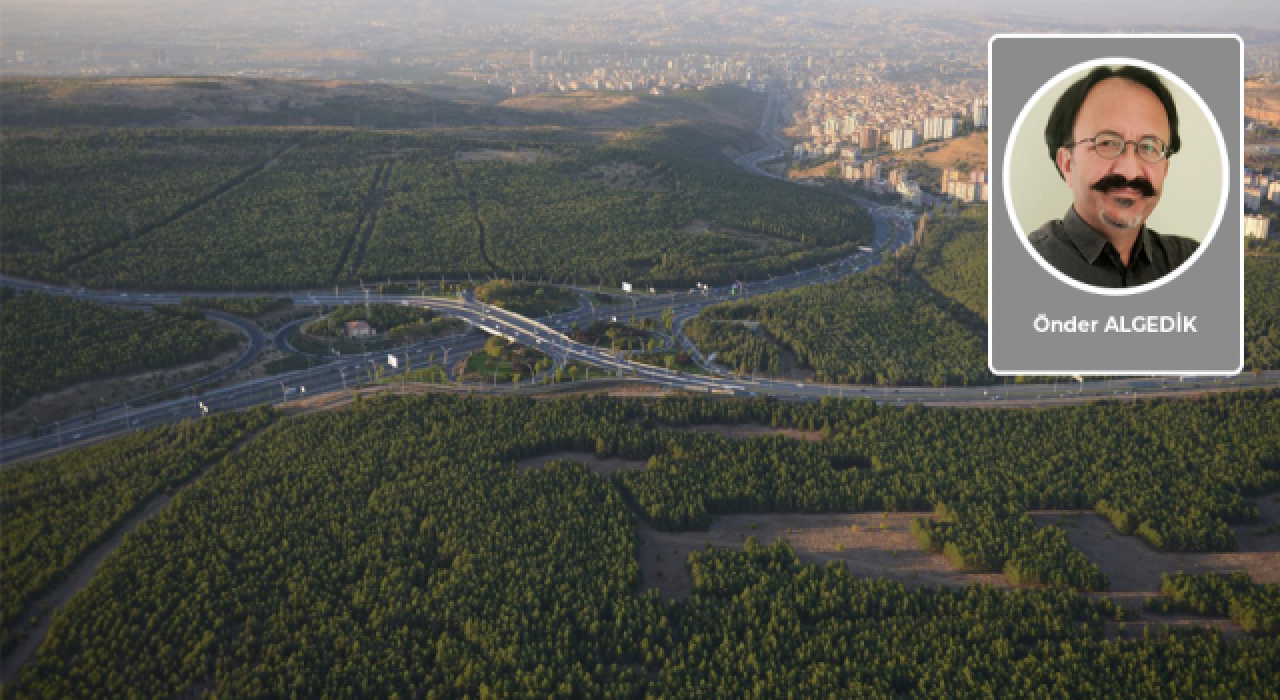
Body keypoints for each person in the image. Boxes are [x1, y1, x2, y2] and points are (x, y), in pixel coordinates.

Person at [1029, 65, 1198, 288]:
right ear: (1067, 164)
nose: (1130, 171)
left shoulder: (1189, 260)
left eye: (1149, 147)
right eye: (1106, 143)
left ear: (1165, 169)